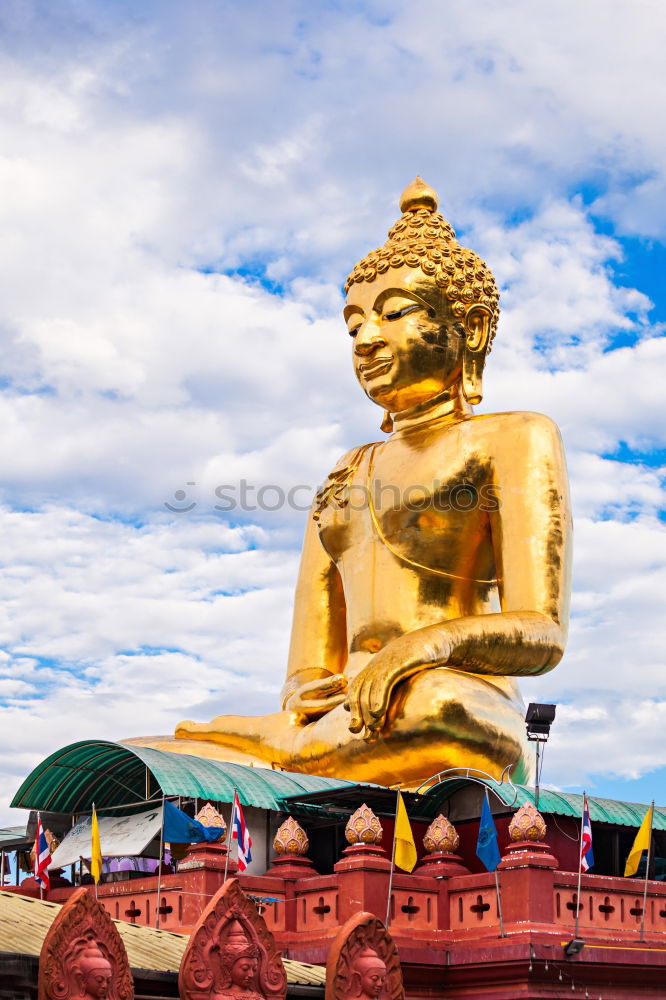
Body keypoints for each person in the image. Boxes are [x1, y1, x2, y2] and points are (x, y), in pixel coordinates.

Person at [146, 177, 571, 788]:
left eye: (395, 314)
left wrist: (423, 648)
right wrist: (301, 689)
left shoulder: (513, 438)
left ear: (471, 330)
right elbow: (309, 664)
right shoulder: (347, 471)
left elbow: (542, 634)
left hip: (453, 701)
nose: (367, 339)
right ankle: (277, 746)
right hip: (344, 718)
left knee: (436, 709)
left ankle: (269, 749)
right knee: (143, 755)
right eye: (354, 325)